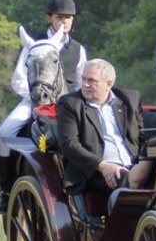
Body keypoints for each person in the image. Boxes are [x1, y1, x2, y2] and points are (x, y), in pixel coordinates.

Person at [0, 0, 87, 215]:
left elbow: (82, 82)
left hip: (68, 103)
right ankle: (6, 193)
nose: (64, 22)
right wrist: (38, 95)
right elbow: (18, 80)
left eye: (68, 18)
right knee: (2, 134)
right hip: (33, 101)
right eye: (59, 17)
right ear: (49, 18)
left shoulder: (78, 49)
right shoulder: (32, 44)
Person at [55, 59, 150, 196]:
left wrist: (143, 164)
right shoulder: (71, 103)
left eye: (92, 81)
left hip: (136, 167)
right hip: (95, 173)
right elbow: (69, 145)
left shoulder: (130, 99)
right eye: (83, 79)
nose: (85, 84)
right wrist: (103, 166)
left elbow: (143, 135)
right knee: (127, 183)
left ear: (108, 84)